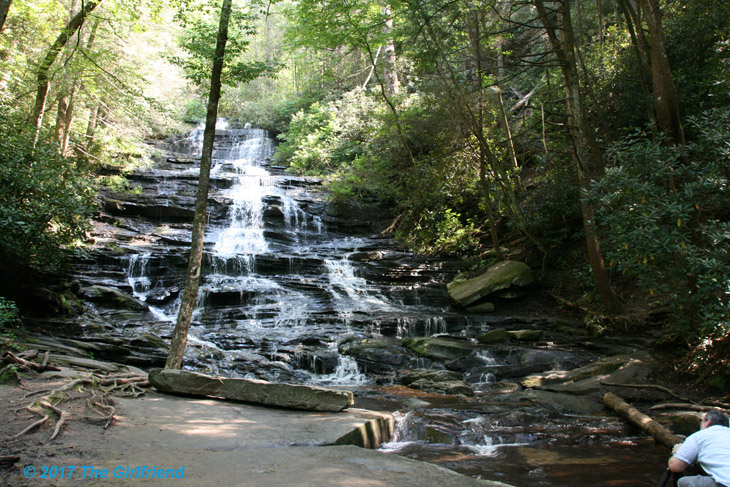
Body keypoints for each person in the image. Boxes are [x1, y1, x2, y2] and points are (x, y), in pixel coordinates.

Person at [669, 409, 730, 487]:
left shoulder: (700, 435)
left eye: (701, 421)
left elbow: (675, 467)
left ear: (708, 422)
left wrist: (676, 452)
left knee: (684, 482)